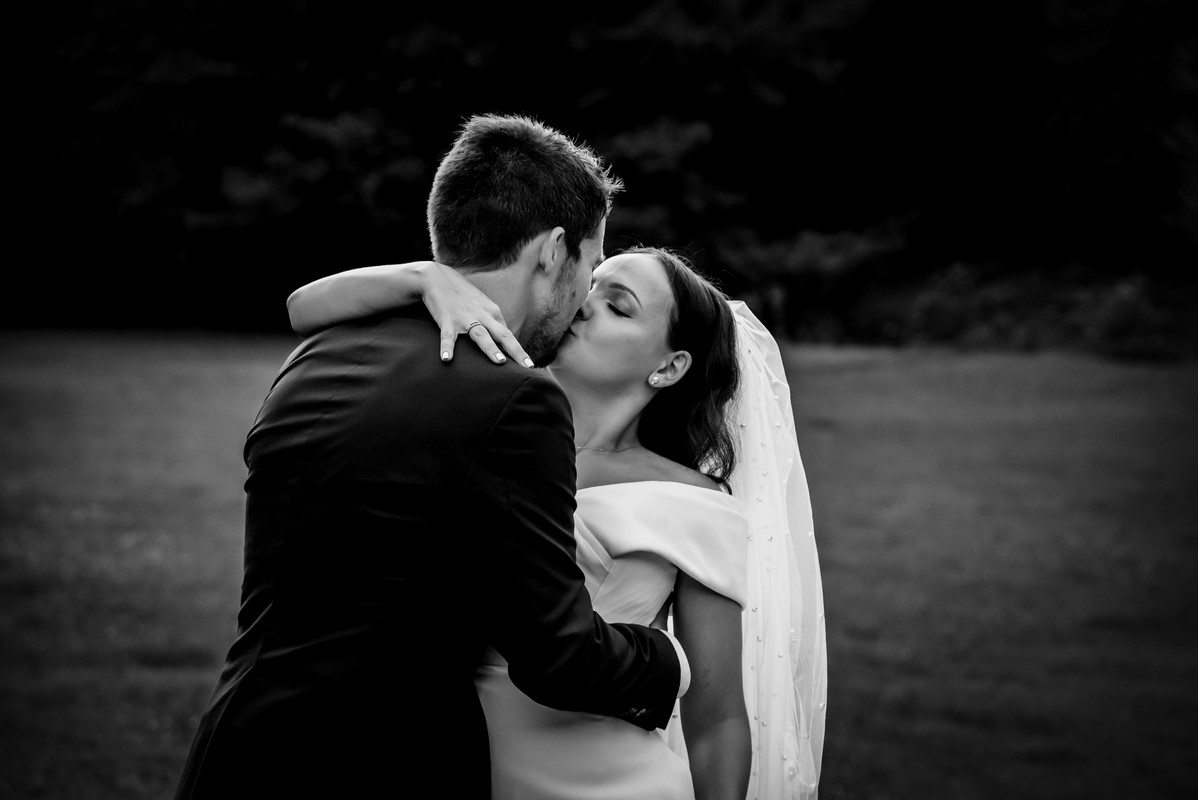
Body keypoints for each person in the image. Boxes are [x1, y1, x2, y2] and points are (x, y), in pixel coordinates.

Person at [173, 114, 691, 800]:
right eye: (589, 268)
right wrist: (671, 661)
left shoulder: (320, 350)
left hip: (236, 755)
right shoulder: (517, 400)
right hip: (384, 766)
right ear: (551, 251)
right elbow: (559, 657)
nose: (580, 302)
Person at [287, 246, 828, 799]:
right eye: (589, 285)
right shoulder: (487, 431)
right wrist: (426, 277)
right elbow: (304, 305)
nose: (585, 305)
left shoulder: (695, 503)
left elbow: (717, 721)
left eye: (618, 307)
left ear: (668, 368)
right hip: (445, 762)